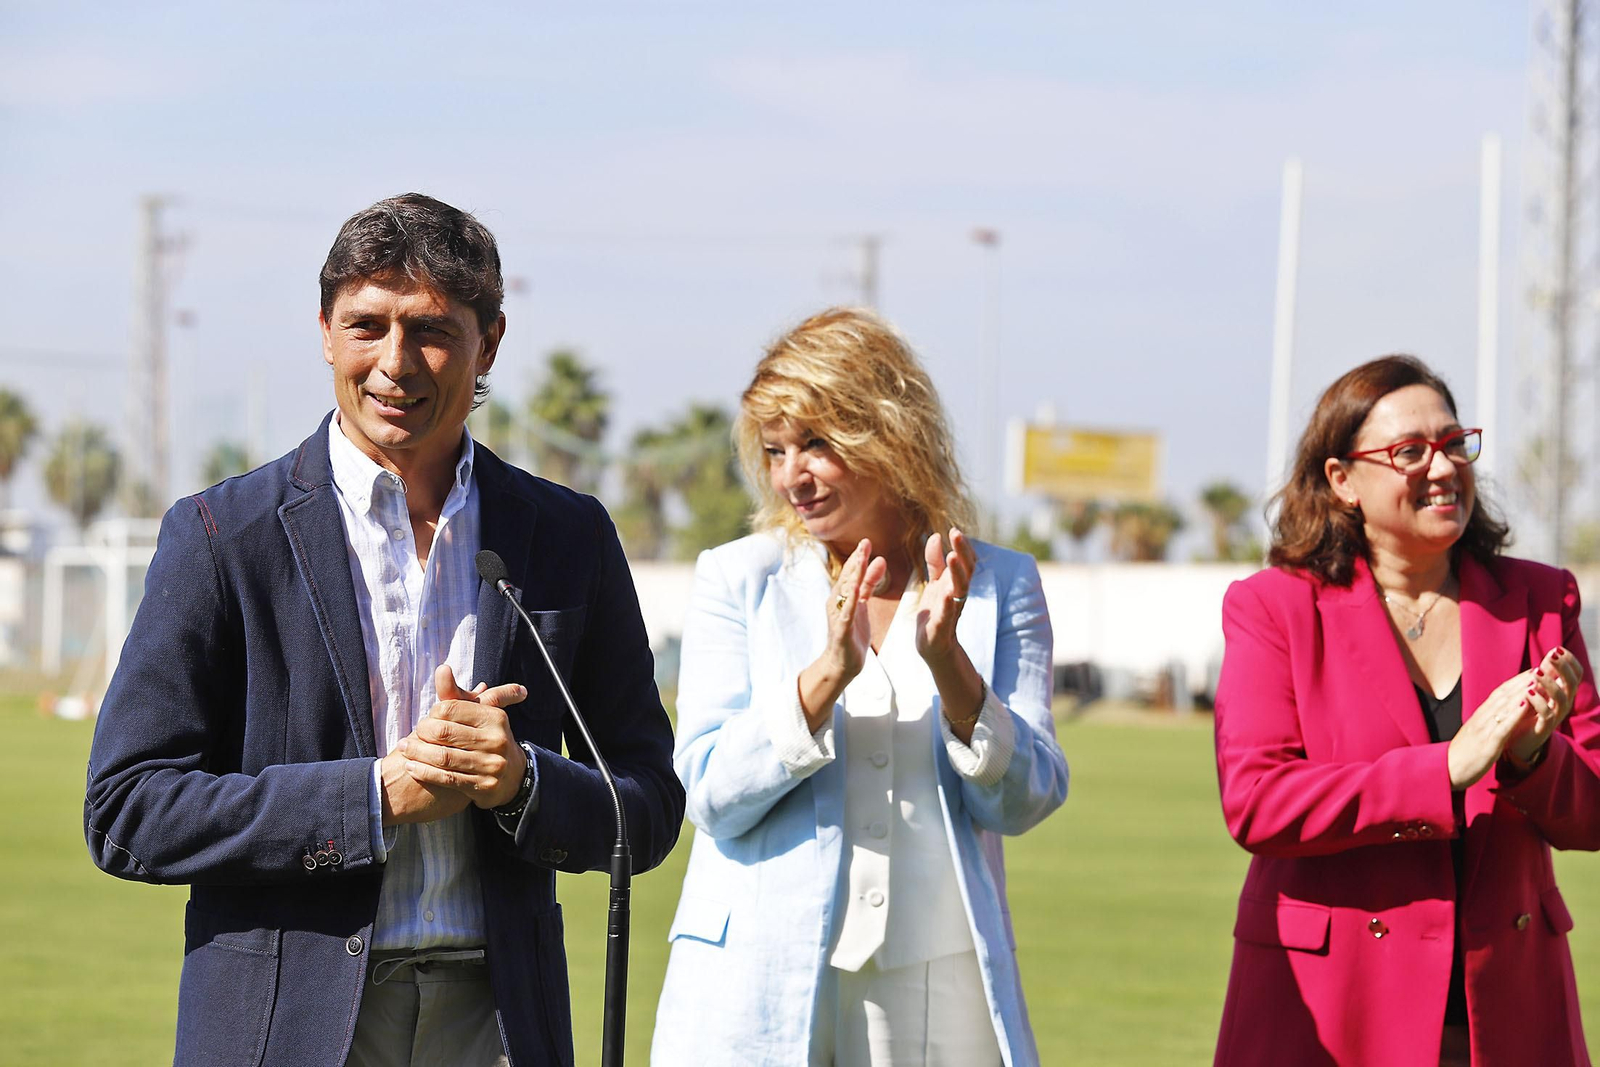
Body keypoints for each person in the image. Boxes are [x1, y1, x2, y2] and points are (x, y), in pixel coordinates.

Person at [83, 193, 685, 1067]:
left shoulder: (569, 535)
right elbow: (127, 809)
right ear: (326, 332)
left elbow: (651, 805)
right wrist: (372, 798)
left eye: (432, 330)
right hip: (288, 1028)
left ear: (490, 342)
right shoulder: (220, 535)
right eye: (367, 326)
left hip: (501, 1021)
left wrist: (521, 781)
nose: (394, 363)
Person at [651, 307, 1069, 1067]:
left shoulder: (999, 584)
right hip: (756, 980)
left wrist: (951, 666)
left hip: (937, 994)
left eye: (816, 442)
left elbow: (1027, 799)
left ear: (890, 431)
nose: (791, 475)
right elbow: (706, 793)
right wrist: (824, 678)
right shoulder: (736, 578)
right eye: (774, 449)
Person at [1212, 354, 1600, 1066]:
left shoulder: (1543, 601)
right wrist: (1443, 770)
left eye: (1454, 443)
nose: (1444, 467)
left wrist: (1533, 759)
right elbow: (1257, 801)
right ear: (1342, 479)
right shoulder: (1274, 607)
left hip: (1506, 1017)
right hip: (1333, 1016)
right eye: (1410, 452)